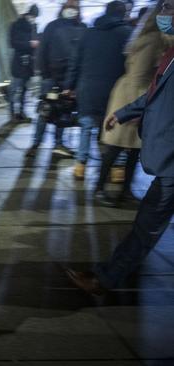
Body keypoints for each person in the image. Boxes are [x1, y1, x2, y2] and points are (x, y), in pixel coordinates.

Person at [66, 0, 174, 295]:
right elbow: (155, 94)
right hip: (166, 159)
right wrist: (124, 112)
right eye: (163, 10)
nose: (165, 16)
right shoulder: (169, 54)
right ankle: (107, 277)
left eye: (170, 10)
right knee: (147, 224)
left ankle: (106, 278)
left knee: (147, 225)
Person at [95, 1, 173, 207]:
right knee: (118, 148)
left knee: (129, 148)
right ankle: (101, 188)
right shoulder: (154, 39)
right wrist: (136, 109)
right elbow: (139, 74)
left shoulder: (146, 36)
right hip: (132, 93)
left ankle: (121, 189)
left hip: (130, 92)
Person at [65, 1, 132, 180]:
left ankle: (80, 166)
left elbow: (75, 62)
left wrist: (69, 86)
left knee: (86, 127)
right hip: (114, 90)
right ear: (122, 13)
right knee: (115, 129)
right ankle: (117, 169)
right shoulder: (127, 34)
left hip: (87, 89)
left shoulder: (88, 33)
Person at [26, 0, 86, 158]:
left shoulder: (82, 28)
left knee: (63, 112)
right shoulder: (52, 26)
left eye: (74, 8)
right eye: (69, 7)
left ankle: (58, 144)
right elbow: (42, 51)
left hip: (70, 81)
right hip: (51, 78)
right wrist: (44, 74)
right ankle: (36, 143)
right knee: (45, 111)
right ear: (63, 8)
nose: (71, 10)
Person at [8, 4, 40, 123]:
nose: (33, 18)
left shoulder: (34, 26)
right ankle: (12, 114)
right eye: (32, 15)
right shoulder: (16, 25)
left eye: (34, 16)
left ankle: (21, 112)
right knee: (15, 89)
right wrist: (29, 44)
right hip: (19, 62)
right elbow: (13, 43)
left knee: (25, 90)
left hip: (29, 63)